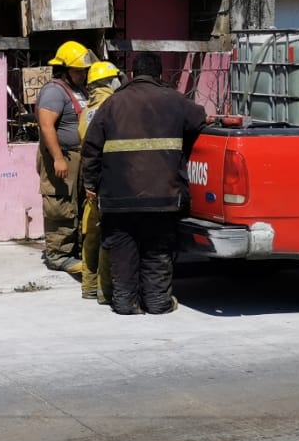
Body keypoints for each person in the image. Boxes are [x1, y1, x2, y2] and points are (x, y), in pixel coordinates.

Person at [80, 53, 207, 315]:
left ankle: (125, 303)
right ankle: (158, 302)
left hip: (118, 196)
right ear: (159, 75)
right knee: (157, 250)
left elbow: (91, 147)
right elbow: (199, 119)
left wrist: (91, 183)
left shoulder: (113, 103)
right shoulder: (174, 100)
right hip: (163, 194)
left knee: (122, 249)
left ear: (131, 74)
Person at [35, 40, 95, 274]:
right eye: (78, 70)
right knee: (60, 205)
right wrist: (58, 158)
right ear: (64, 69)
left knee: (78, 206)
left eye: (84, 70)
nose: (82, 74)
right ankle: (58, 255)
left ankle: (75, 251)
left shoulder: (80, 90)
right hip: (62, 159)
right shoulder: (53, 91)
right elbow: (47, 126)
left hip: (79, 159)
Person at [77, 60, 121, 305]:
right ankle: (105, 291)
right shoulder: (111, 105)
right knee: (108, 234)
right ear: (109, 81)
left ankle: (89, 287)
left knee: (91, 235)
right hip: (107, 178)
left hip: (90, 180)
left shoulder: (87, 110)